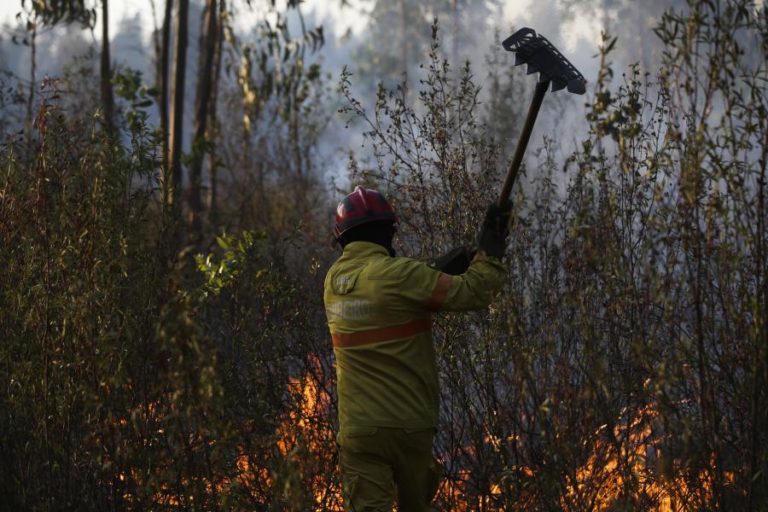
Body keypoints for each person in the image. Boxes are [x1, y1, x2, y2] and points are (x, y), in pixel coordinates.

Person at [323, 186, 511, 511]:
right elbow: (476, 291)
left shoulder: (333, 283)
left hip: (359, 432)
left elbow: (386, 293)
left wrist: (440, 269)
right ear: (388, 233)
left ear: (342, 240)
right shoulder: (404, 276)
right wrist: (490, 248)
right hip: (409, 428)